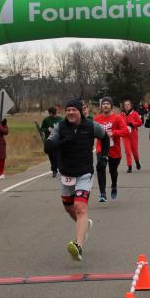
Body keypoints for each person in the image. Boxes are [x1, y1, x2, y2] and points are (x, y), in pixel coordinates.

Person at [45, 99, 109, 260]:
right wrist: (64, 141)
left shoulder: (91, 126)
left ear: (80, 111)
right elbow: (48, 147)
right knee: (69, 208)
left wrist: (104, 157)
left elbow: (105, 137)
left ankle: (78, 246)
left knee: (80, 207)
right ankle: (86, 224)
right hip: (66, 173)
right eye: (68, 110)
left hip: (84, 173)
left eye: (74, 109)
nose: (71, 112)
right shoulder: (60, 127)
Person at [93, 97, 130, 202]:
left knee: (113, 171)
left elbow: (126, 131)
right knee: (100, 168)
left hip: (114, 149)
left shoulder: (117, 118)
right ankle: (102, 193)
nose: (105, 105)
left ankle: (114, 185)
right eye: (103, 104)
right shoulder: (97, 119)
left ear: (111, 106)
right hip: (101, 148)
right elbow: (91, 132)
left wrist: (113, 132)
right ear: (101, 106)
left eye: (107, 104)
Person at [39, 106, 63, 177]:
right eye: (52, 114)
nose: (54, 115)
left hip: (58, 140)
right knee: (51, 156)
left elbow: (65, 128)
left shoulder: (60, 119)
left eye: (55, 114)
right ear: (50, 113)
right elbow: (42, 129)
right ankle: (54, 167)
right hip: (49, 141)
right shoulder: (46, 120)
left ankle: (55, 170)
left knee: (57, 155)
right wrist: (47, 129)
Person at [121, 99, 143, 172]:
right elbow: (118, 123)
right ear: (124, 106)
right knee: (127, 151)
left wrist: (133, 124)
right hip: (125, 135)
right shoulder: (121, 115)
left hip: (133, 135)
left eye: (128, 104)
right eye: (125, 105)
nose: (127, 106)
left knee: (134, 151)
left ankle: (137, 162)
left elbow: (140, 122)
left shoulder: (135, 113)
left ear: (131, 105)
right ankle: (129, 166)